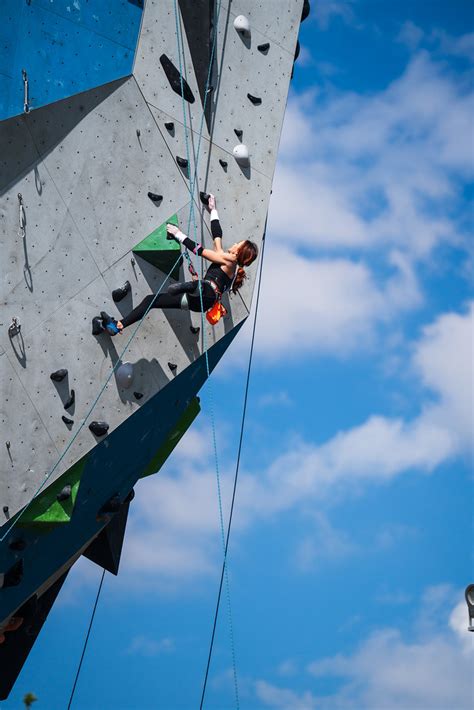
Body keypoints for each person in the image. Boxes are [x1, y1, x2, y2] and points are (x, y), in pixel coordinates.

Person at [95, 194, 258, 334]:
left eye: (239, 243)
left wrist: (178, 234)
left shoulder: (231, 261)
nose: (235, 243)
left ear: (239, 252)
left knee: (200, 286)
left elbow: (200, 251)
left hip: (205, 293)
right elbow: (217, 235)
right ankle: (117, 326)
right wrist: (213, 210)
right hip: (198, 302)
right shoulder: (226, 261)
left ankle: (186, 286)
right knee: (151, 300)